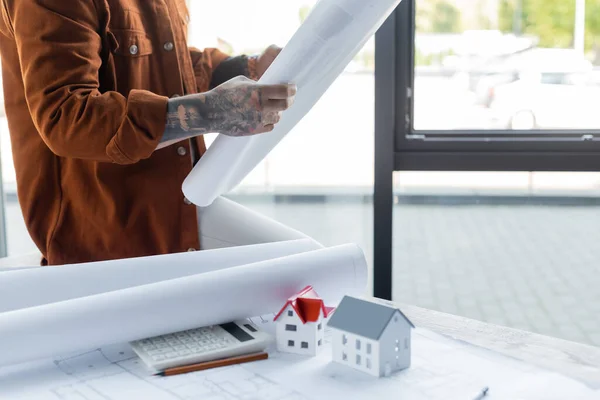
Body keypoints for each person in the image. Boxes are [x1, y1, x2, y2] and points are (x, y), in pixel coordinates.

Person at [0, 0, 315, 265]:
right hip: (107, 239)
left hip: (178, 206)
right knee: (317, 274)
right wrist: (210, 112)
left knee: (324, 274)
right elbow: (68, 117)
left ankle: (363, 331)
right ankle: (362, 329)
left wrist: (247, 68)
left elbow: (161, 66)